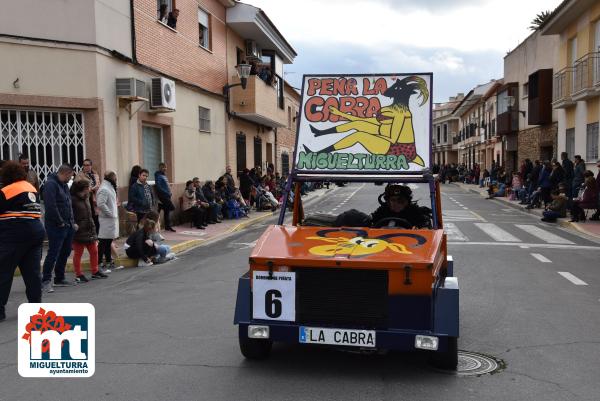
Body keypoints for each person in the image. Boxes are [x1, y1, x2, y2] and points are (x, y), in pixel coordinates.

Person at [0, 162, 45, 321]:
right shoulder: (30, 188)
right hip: (35, 234)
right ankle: (35, 308)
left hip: (14, 235)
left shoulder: (8, 191)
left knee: (4, 273)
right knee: (32, 274)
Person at [42, 164, 76, 292]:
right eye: (70, 176)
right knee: (53, 253)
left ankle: (59, 278)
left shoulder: (64, 185)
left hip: (68, 225)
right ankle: (45, 280)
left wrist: (73, 222)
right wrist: (60, 222)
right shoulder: (51, 184)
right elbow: (51, 206)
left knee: (65, 251)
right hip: (56, 226)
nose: (71, 178)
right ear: (66, 173)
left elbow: (68, 204)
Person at [70, 179, 107, 282]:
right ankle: (78, 274)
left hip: (89, 228)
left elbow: (89, 214)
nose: (90, 189)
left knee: (94, 251)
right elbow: (70, 214)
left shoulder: (87, 198)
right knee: (78, 253)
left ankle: (95, 271)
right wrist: (73, 224)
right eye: (89, 187)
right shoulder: (73, 199)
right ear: (84, 189)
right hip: (79, 230)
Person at [97, 171, 120, 273]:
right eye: (115, 178)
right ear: (111, 178)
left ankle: (109, 261)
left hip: (110, 219)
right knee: (103, 242)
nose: (116, 180)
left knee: (108, 241)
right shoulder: (104, 189)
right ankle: (100, 263)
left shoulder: (109, 186)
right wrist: (110, 213)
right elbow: (101, 204)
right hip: (106, 219)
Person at [77, 158, 101, 234]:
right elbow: (78, 188)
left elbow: (99, 184)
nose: (86, 167)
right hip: (86, 199)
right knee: (89, 219)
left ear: (91, 166)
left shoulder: (95, 174)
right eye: (84, 165)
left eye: (88, 165)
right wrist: (92, 188)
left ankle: (97, 238)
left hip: (95, 200)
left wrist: (97, 187)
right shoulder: (80, 175)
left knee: (96, 219)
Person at [155, 163, 176, 232]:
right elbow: (158, 186)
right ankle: (154, 227)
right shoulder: (158, 175)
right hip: (163, 196)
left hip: (167, 196)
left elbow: (166, 185)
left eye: (166, 167)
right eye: (164, 167)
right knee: (172, 207)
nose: (165, 169)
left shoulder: (164, 175)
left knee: (167, 212)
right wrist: (166, 193)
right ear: (160, 167)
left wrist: (169, 192)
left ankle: (168, 226)